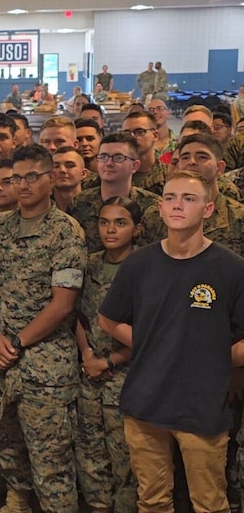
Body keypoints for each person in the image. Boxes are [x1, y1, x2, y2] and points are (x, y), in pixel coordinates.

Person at [99, 172, 244, 513]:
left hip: (202, 406)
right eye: (170, 197)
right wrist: (153, 342)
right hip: (145, 403)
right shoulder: (139, 263)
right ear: (160, 209)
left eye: (189, 199)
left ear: (208, 209)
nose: (177, 205)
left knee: (209, 503)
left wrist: (214, 358)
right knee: (152, 501)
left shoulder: (231, 269)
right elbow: (108, 319)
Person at [0, 144, 86, 512]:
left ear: (50, 178)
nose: (21, 185)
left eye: (30, 177)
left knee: (51, 463)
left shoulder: (65, 232)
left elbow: (63, 303)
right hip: (0, 360)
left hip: (45, 366)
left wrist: (17, 342)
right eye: (15, 178)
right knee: (5, 448)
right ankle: (17, 503)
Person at [74, 198, 141, 513]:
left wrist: (110, 361)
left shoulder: (146, 267)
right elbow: (77, 315)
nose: (110, 229)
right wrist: (87, 353)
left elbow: (153, 331)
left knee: (125, 460)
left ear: (137, 228)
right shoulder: (90, 264)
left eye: (120, 222)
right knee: (90, 456)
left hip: (127, 377)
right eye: (104, 221)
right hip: (90, 375)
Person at [68, 132, 161, 253]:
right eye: (103, 156)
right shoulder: (79, 203)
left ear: (135, 165)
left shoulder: (153, 206)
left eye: (118, 158)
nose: (109, 163)